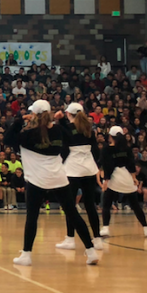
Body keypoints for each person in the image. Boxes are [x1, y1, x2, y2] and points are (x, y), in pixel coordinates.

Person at [5, 100, 98, 267]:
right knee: (73, 214)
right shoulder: (57, 130)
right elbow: (70, 138)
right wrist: (62, 121)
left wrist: (19, 120)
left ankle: (26, 254)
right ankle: (91, 251)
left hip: (36, 180)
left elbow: (8, 139)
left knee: (32, 217)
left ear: (33, 114)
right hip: (58, 177)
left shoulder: (27, 135)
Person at [55, 103, 104, 251]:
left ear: (68, 114)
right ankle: (97, 239)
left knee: (70, 206)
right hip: (88, 168)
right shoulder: (89, 127)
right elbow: (95, 150)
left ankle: (70, 238)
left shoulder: (67, 128)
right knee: (90, 206)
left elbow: (64, 144)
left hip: (72, 169)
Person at [98, 126, 147, 239]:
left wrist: (106, 181)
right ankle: (146, 229)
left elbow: (107, 166)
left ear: (110, 137)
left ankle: (105, 228)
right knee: (135, 205)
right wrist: (134, 178)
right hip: (126, 177)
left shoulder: (106, 149)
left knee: (106, 204)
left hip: (114, 177)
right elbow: (131, 165)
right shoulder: (127, 148)